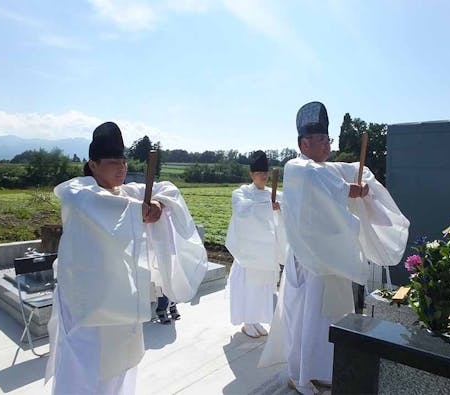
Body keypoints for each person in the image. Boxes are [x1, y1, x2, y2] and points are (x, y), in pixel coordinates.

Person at [45, 122, 207, 394]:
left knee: (121, 363)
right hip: (88, 301)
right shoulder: (78, 192)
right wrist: (141, 210)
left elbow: (167, 190)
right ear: (93, 165)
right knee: (84, 365)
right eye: (112, 163)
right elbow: (101, 205)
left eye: (123, 162)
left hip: (121, 295)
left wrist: (159, 204)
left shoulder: (124, 192)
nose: (121, 168)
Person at [259, 102, 409, 395]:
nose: (328, 145)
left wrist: (363, 183)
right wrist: (347, 189)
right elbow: (322, 180)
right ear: (305, 143)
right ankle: (300, 375)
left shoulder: (326, 169)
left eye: (329, 139)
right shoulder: (298, 168)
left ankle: (326, 370)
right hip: (310, 262)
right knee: (308, 320)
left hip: (332, 260)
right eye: (322, 140)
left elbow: (355, 171)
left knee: (331, 318)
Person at [225, 150, 286, 338]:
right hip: (249, 252)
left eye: (265, 173)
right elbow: (243, 211)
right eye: (259, 173)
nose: (264, 177)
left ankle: (257, 319)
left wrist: (279, 208)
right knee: (249, 287)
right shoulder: (241, 193)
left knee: (264, 288)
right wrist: (269, 207)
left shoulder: (275, 194)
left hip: (267, 251)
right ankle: (247, 321)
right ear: (251, 175)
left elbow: (285, 215)